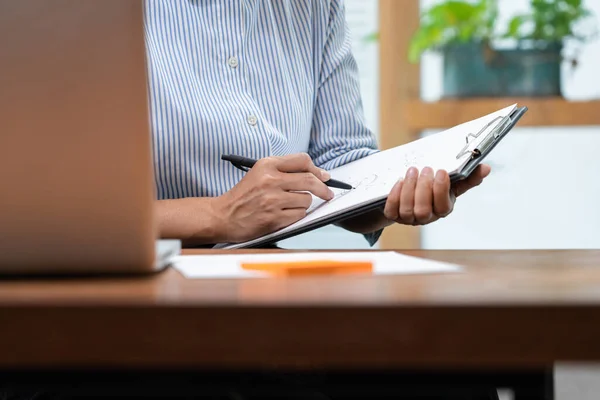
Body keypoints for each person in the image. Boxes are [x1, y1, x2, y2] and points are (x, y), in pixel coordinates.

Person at [146, 0, 490, 248]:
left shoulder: (316, 8)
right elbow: (91, 218)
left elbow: (340, 162)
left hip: (272, 284)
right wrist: (218, 215)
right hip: (149, 286)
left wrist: (395, 190)